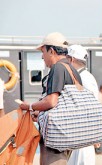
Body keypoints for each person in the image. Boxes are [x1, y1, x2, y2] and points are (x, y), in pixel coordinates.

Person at [19, 32, 81, 164]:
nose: (42, 57)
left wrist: (29, 106)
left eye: (43, 52)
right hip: (67, 134)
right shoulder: (72, 69)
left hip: (56, 138)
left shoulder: (57, 68)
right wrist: (40, 113)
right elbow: (63, 103)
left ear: (51, 51)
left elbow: (52, 101)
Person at [66, 44, 101, 165]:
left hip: (83, 133)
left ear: (72, 59)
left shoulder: (85, 78)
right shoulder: (80, 76)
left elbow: (93, 107)